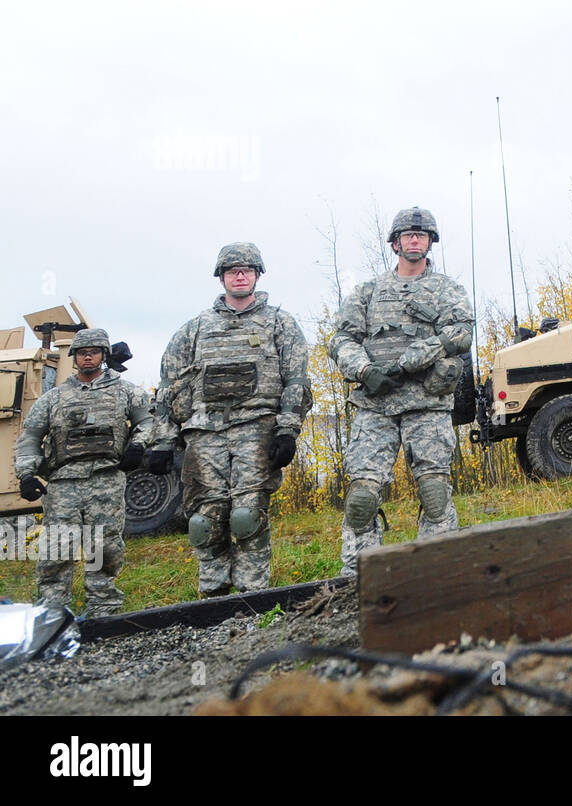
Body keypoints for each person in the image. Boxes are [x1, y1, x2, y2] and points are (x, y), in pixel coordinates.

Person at [148, 243, 312, 596]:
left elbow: (296, 381)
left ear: (257, 275)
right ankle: (213, 594)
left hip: (257, 429)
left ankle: (253, 595)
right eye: (232, 270)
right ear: (221, 277)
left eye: (247, 270)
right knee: (205, 520)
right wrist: (163, 439)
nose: (240, 275)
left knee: (247, 516)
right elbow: (168, 386)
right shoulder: (194, 329)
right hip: (204, 432)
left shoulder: (280, 324)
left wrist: (287, 431)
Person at [329, 207, 474, 577]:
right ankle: (360, 577)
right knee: (361, 498)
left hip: (427, 404)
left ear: (430, 243)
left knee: (434, 493)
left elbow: (460, 333)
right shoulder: (367, 291)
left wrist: (414, 359)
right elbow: (343, 339)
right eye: (408, 234)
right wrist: (365, 370)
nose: (414, 239)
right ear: (395, 243)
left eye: (421, 235)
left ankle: (436, 572)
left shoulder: (447, 290)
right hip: (375, 406)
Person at [13, 328, 152, 616]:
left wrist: (138, 447)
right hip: (64, 483)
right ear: (74, 358)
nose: (87, 357)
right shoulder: (54, 399)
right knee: (57, 548)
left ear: (104, 355)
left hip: (106, 478)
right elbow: (29, 437)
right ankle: (51, 612)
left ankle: (103, 607)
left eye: (94, 352)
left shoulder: (126, 391)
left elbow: (148, 422)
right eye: (82, 353)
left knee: (104, 546)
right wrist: (27, 474)